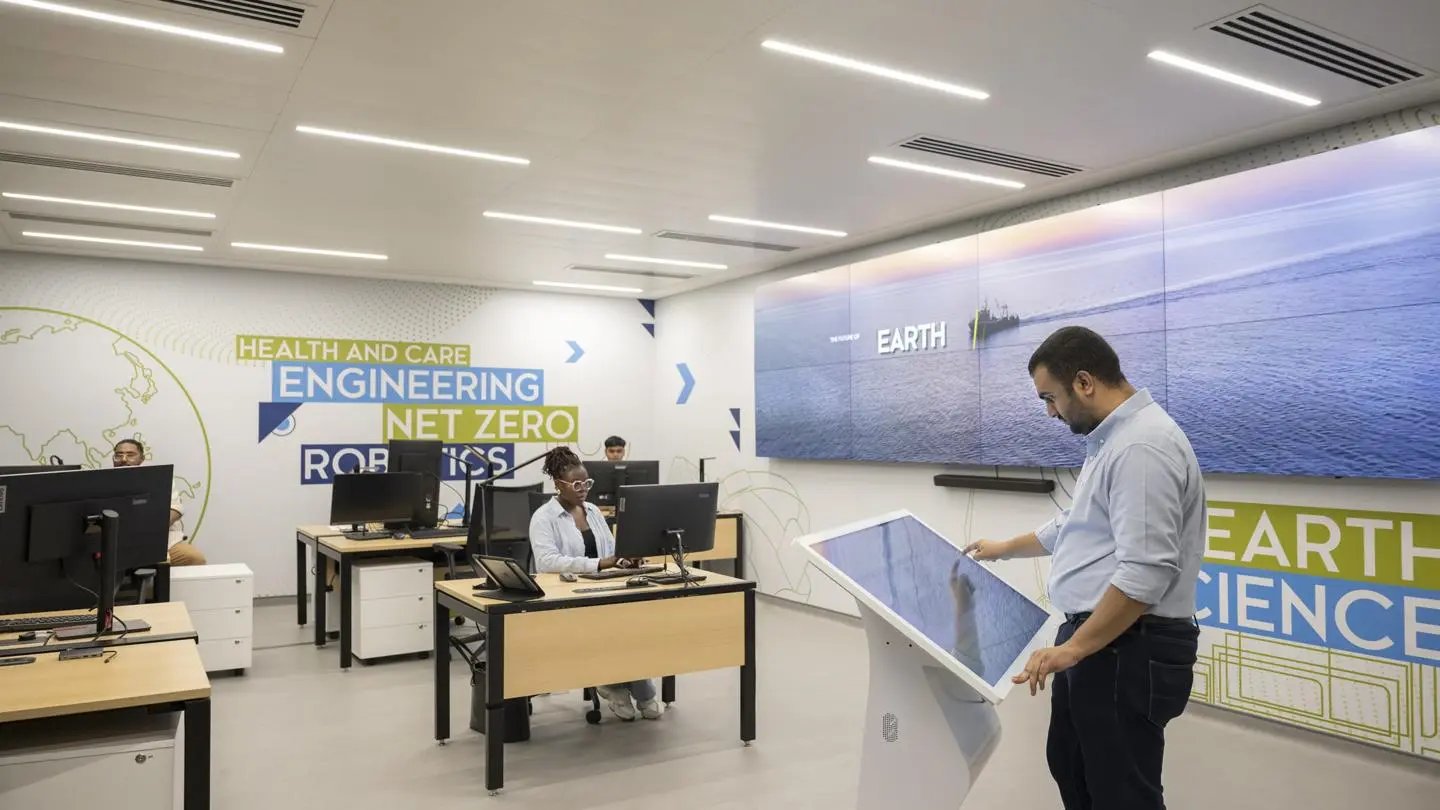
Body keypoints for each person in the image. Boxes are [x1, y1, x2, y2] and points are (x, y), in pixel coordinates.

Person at [964, 326, 1204, 810]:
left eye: (1050, 398)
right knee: (1074, 767)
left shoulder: (1141, 448)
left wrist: (1071, 650)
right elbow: (1077, 524)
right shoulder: (1113, 440)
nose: (1050, 412)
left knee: (1121, 792)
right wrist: (1005, 547)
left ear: (1085, 382)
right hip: (1102, 643)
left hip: (1126, 648)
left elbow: (1144, 577)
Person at [528, 446, 662, 721]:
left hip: (603, 588)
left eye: (586, 483)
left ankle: (632, 688)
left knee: (635, 625)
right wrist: (598, 564)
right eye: (576, 484)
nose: (583, 489)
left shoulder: (593, 511)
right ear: (558, 484)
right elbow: (547, 562)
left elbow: (611, 550)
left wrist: (625, 561)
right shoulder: (543, 518)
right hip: (567, 596)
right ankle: (620, 687)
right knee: (615, 628)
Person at [112, 439, 207, 566]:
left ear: (141, 459)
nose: (124, 459)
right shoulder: (103, 482)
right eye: (119, 455)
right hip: (118, 543)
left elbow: (175, 510)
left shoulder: (159, 479)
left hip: (161, 539)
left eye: (130, 455)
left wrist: (149, 531)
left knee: (195, 558)